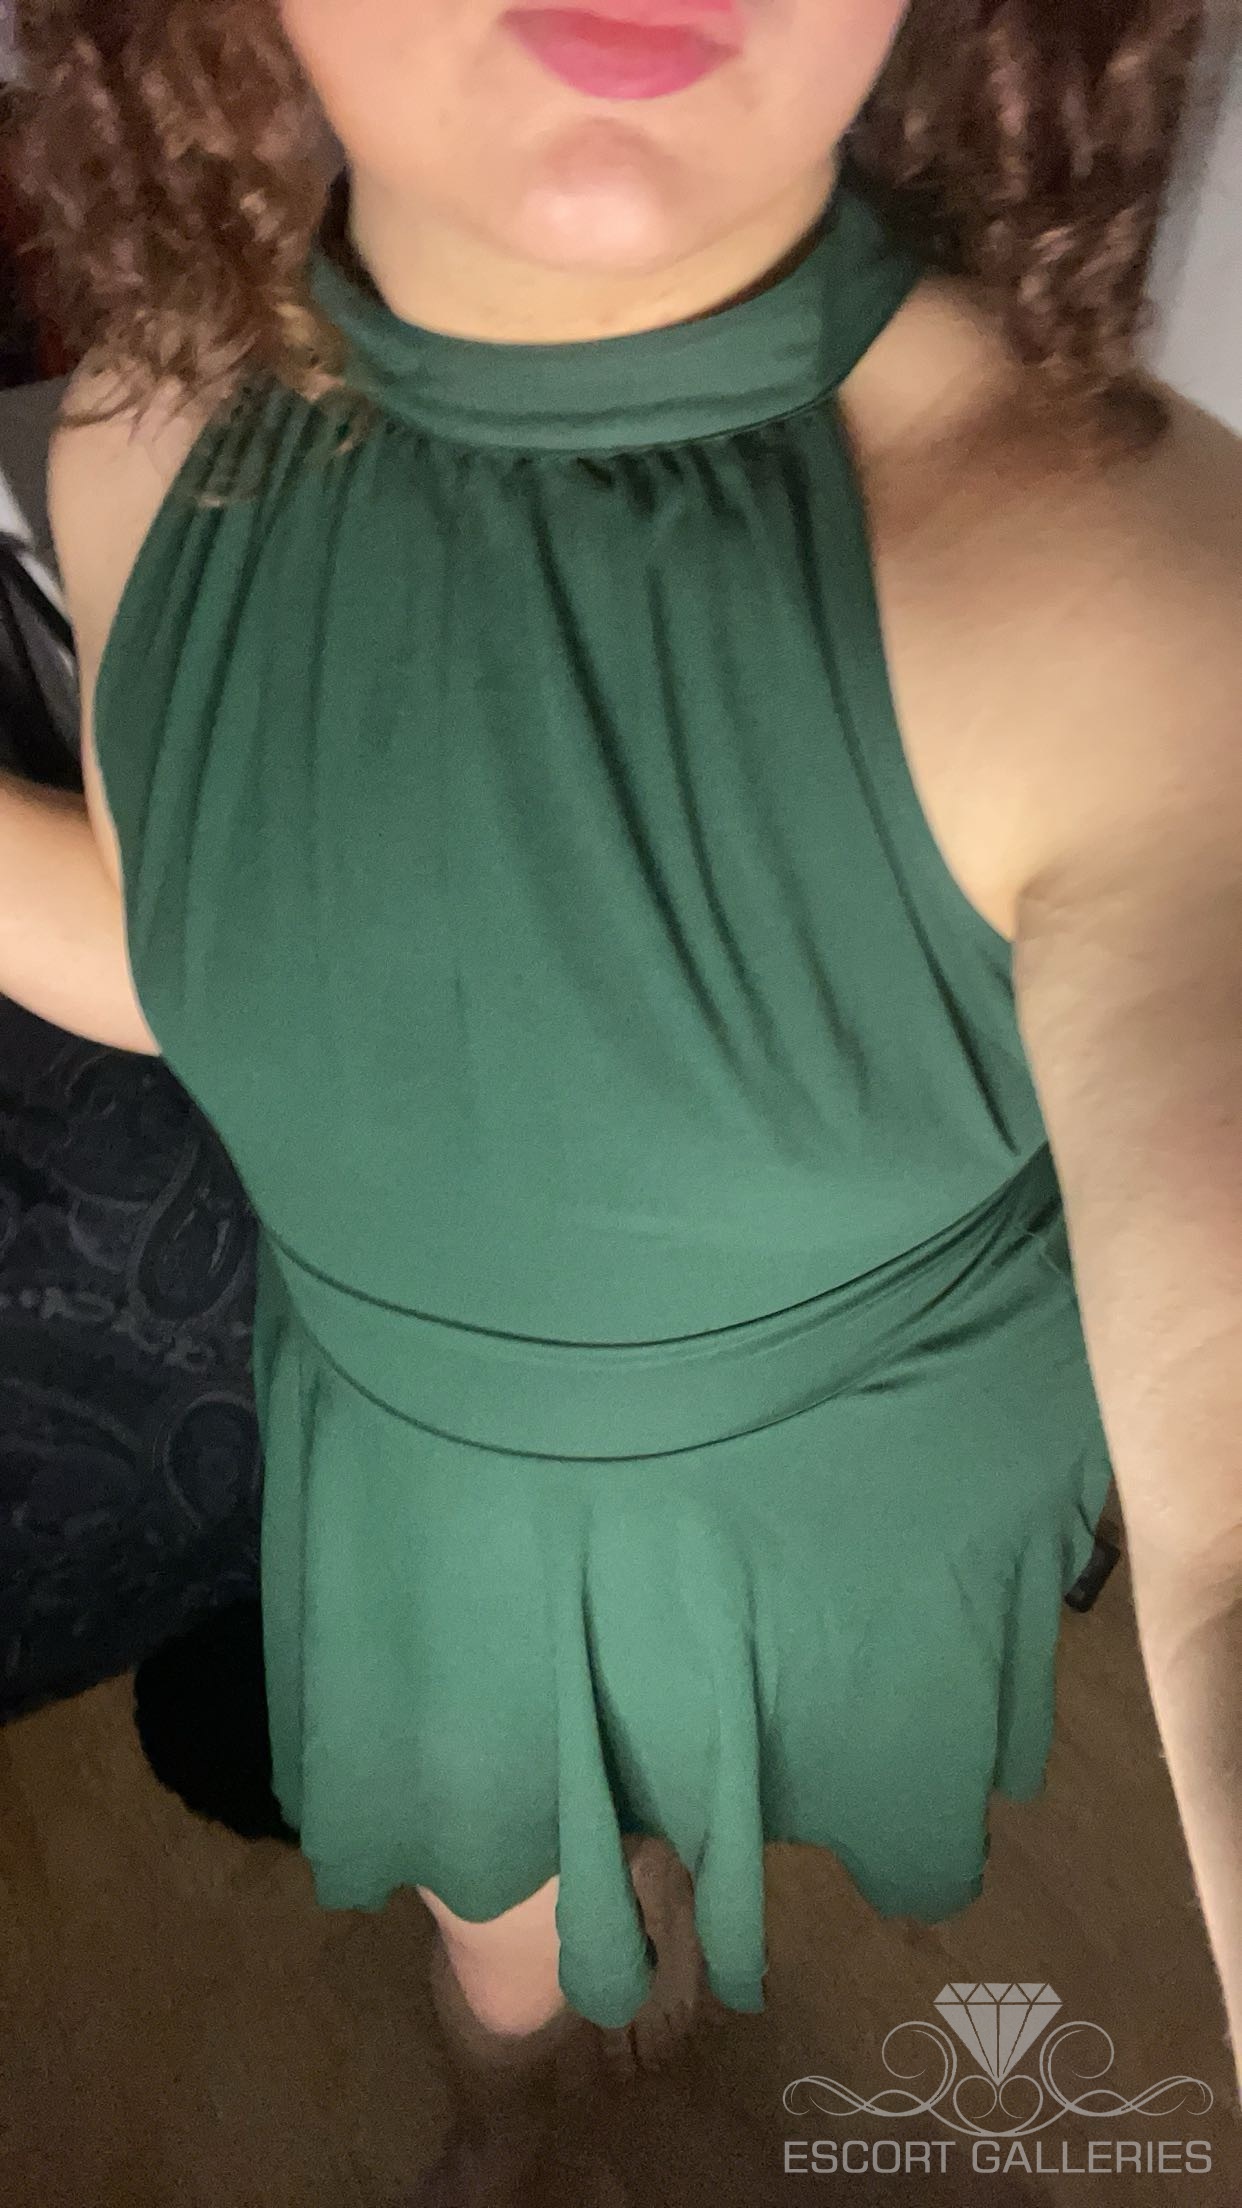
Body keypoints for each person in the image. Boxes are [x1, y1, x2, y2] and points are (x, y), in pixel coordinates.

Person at [3, 1, 1241, 2198]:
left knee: (724, 1797)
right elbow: (200, 946)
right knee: (503, 1938)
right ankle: (531, 2116)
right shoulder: (138, 444)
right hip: (428, 1484)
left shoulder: (1113, 581)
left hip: (847, 1472)